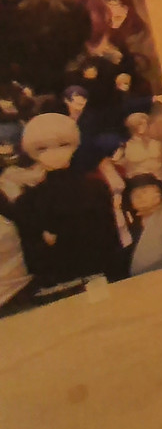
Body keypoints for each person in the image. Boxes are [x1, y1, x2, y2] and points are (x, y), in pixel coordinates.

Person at [0, 112, 128, 299]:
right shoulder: (28, 201)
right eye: (42, 148)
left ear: (74, 145)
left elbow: (110, 238)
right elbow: (34, 257)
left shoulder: (95, 188)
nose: (54, 153)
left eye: (62, 144)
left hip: (94, 281)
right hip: (69, 288)